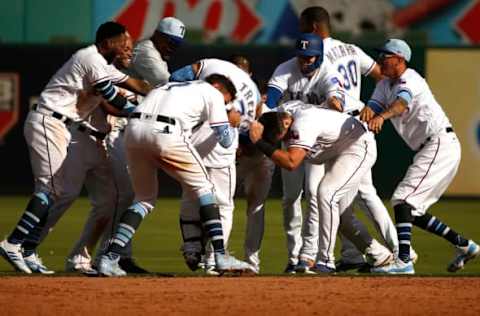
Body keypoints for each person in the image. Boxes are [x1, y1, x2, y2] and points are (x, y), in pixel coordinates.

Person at [0, 21, 149, 274]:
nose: (126, 48)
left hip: (63, 126)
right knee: (52, 188)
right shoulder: (89, 57)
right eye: (122, 44)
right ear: (106, 43)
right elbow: (112, 99)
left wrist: (164, 91)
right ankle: (13, 243)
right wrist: (146, 113)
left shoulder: (103, 64)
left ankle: (27, 249)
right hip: (49, 120)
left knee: (61, 192)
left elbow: (136, 85)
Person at [97, 75, 254, 276]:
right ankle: (221, 256)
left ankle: (109, 259)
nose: (225, 104)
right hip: (167, 132)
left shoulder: (166, 87)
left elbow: (132, 110)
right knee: (206, 189)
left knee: (143, 199)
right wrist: (232, 123)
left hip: (134, 130)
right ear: (218, 87)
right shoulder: (212, 92)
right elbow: (224, 140)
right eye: (226, 99)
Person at [266, 32, 392, 273]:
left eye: (310, 57)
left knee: (321, 194)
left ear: (320, 57)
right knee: (312, 204)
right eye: (302, 57)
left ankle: (317, 258)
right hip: (313, 139)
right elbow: (271, 105)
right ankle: (378, 255)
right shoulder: (286, 86)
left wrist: (336, 102)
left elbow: (336, 98)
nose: (305, 61)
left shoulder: (323, 80)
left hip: (339, 141)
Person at [296, 5, 400, 272]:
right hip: (352, 122)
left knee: (334, 195)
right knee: (346, 198)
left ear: (315, 28)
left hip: (337, 126)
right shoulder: (351, 49)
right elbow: (382, 75)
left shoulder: (316, 52)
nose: (300, 32)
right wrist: (375, 105)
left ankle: (400, 251)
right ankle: (355, 253)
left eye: (303, 26)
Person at [363, 39, 479, 274]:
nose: (380, 60)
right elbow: (372, 107)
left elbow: (400, 105)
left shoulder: (411, 79)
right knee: (412, 210)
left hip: (439, 143)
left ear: (399, 59)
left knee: (403, 199)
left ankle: (404, 260)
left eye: (385, 56)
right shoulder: (385, 84)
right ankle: (464, 245)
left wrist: (381, 117)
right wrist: (365, 112)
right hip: (432, 147)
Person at [249, 103, 378, 273]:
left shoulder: (301, 123)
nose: (283, 138)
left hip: (357, 145)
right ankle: (381, 255)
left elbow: (291, 162)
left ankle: (325, 260)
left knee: (326, 194)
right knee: (343, 216)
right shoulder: (285, 116)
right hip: (338, 150)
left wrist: (259, 142)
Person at [170, 57, 263, 273]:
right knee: (223, 206)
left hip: (192, 147)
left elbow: (175, 77)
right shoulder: (253, 91)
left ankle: (192, 248)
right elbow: (253, 121)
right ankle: (214, 258)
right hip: (221, 154)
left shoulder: (212, 67)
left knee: (191, 198)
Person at [127, 17, 185, 86]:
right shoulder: (146, 51)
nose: (173, 48)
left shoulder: (158, 50)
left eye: (177, 45)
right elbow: (168, 84)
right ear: (157, 35)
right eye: (171, 43)